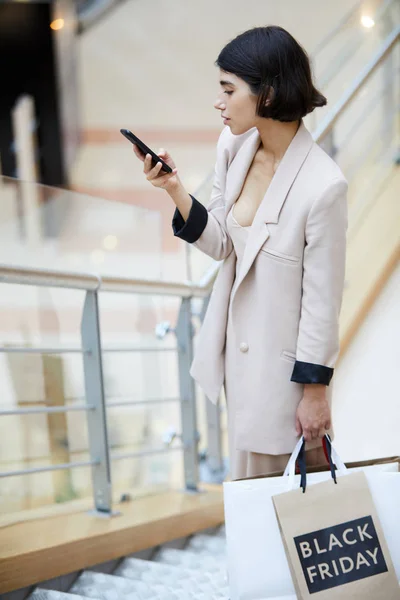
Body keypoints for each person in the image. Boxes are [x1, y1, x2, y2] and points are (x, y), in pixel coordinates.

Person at [131, 25, 348, 481]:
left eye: (229, 90)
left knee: (282, 506)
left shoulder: (324, 186)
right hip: (237, 366)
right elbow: (221, 245)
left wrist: (314, 395)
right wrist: (174, 188)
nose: (219, 102)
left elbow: (322, 303)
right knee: (248, 498)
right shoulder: (233, 147)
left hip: (284, 381)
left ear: (266, 94)